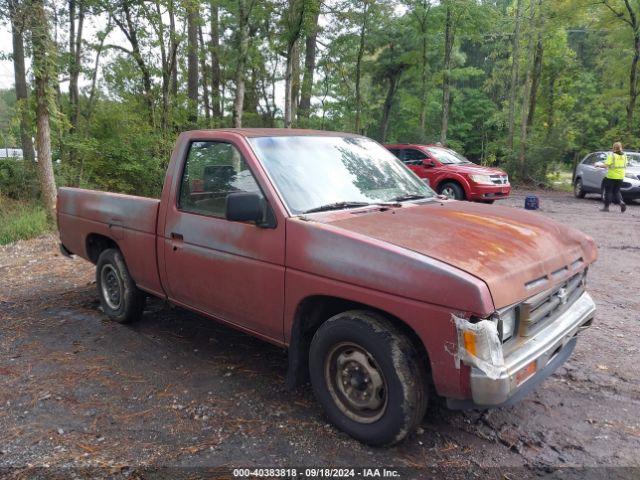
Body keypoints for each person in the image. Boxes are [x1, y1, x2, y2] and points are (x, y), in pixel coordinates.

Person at [597, 142, 627, 213]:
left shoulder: (612, 155)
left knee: (608, 192)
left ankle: (606, 207)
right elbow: (625, 165)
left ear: (613, 148)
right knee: (616, 191)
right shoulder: (624, 156)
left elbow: (606, 165)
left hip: (611, 176)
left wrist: (598, 165)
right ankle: (621, 202)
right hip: (621, 176)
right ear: (621, 147)